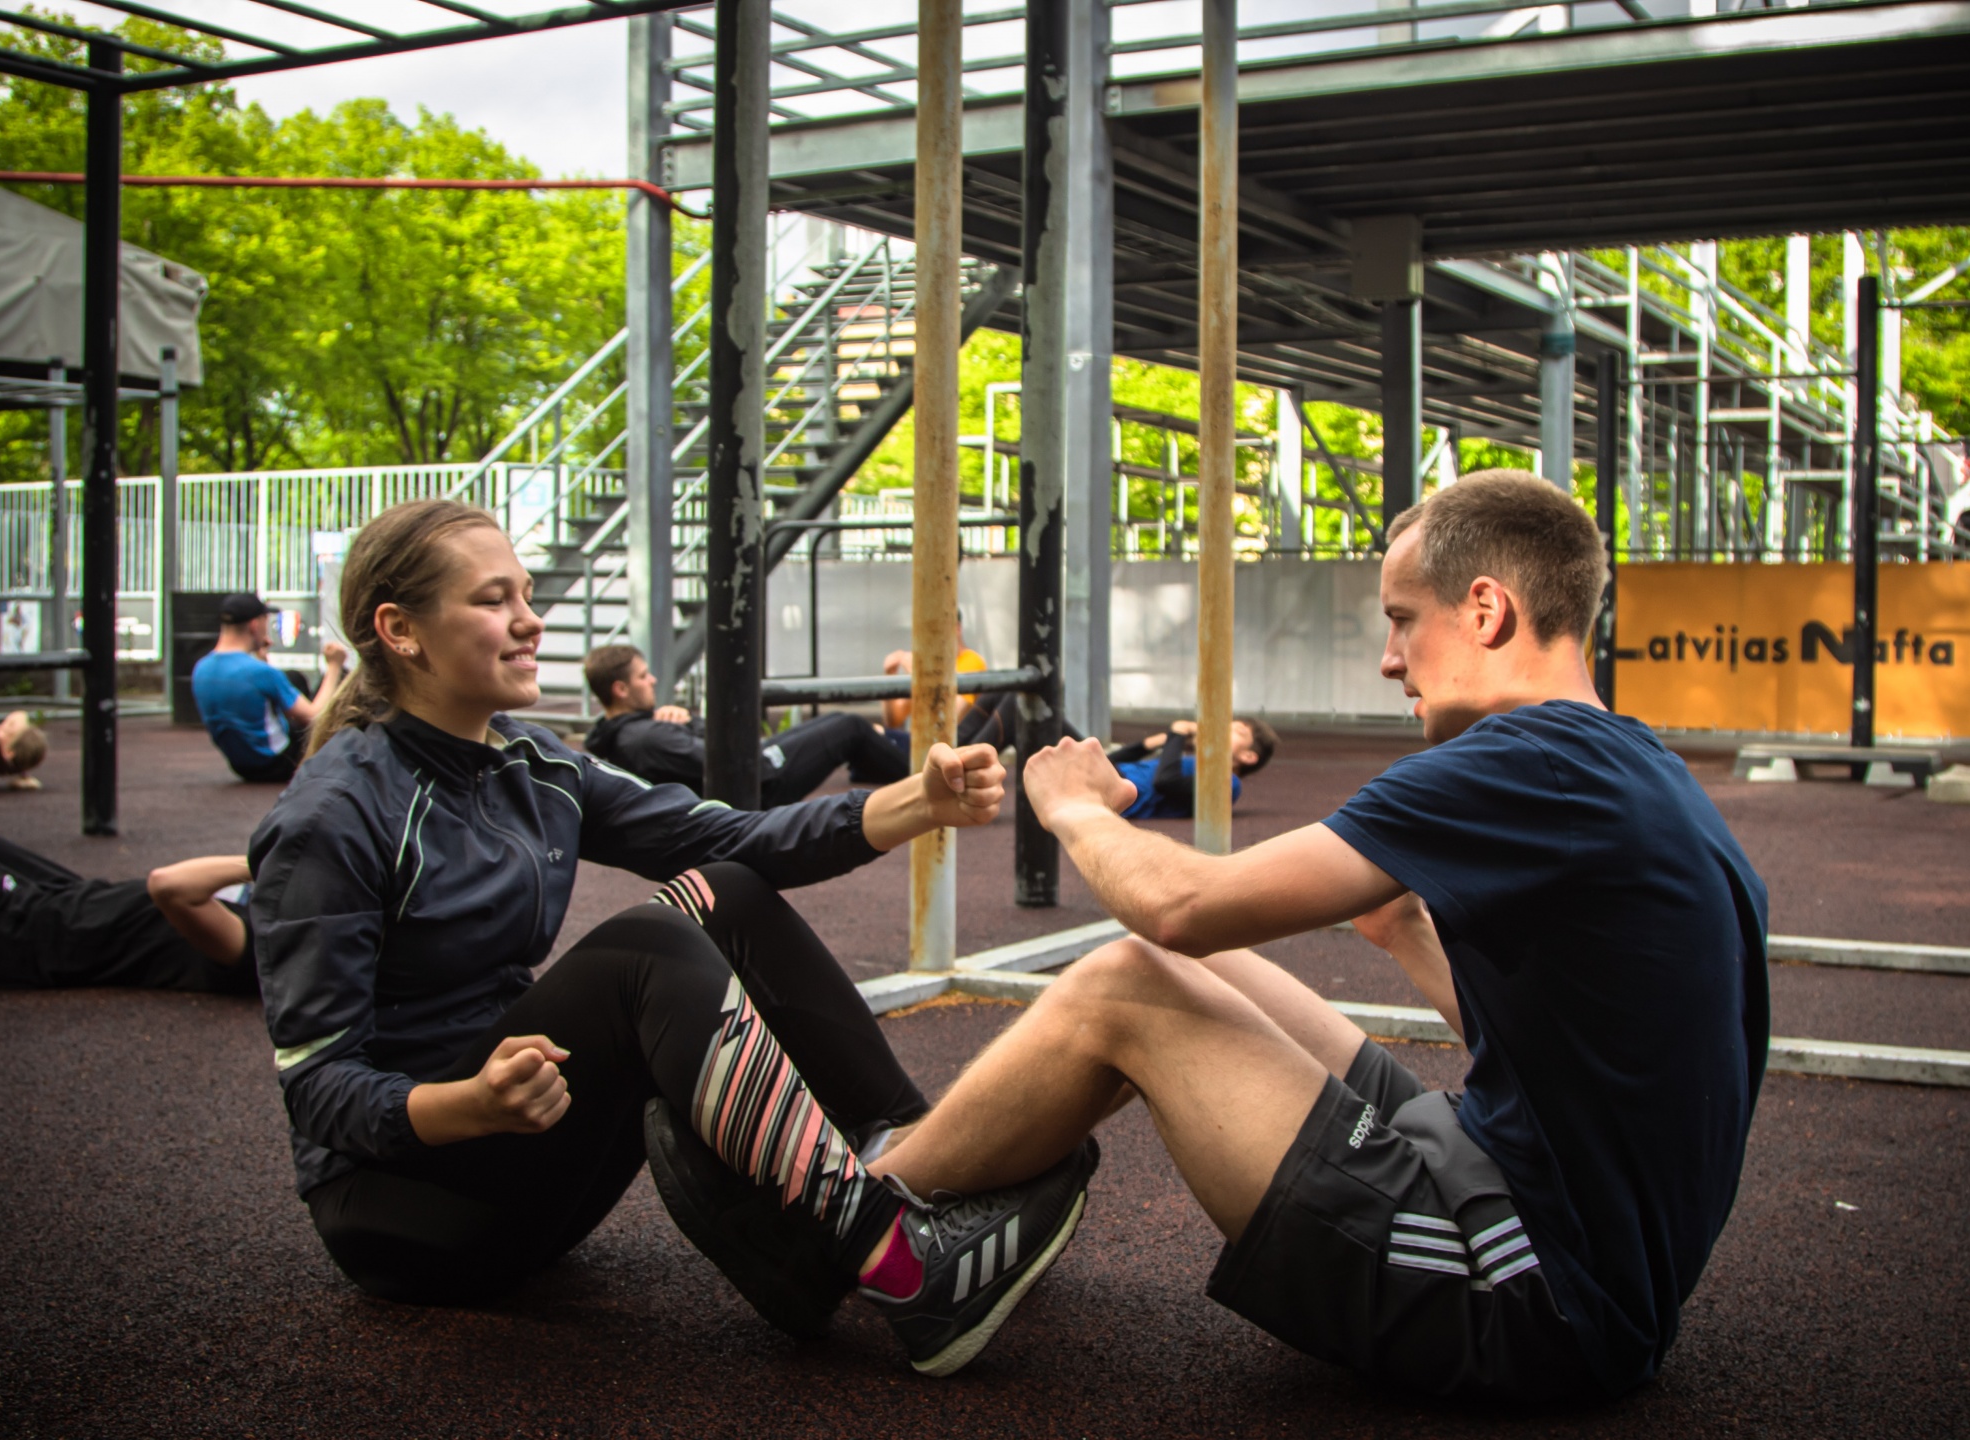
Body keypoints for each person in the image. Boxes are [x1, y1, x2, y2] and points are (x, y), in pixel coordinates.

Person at [676, 471, 1768, 1398]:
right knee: (1190, 969)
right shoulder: (1635, 768)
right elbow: (1583, 1052)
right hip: (1545, 1207)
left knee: (1132, 978)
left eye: (1402, 620)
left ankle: (840, 1225)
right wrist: (1405, 934)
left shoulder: (1524, 760)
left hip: (1538, 1294)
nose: (1391, 659)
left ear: (1485, 610)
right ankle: (949, 1197)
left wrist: (1075, 809)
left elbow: (1180, 906)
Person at [250, 498, 1095, 1375]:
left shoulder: (533, 763)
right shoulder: (333, 816)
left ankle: (929, 1177)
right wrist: (467, 1104)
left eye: (527, 594)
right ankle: (905, 1266)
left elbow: (731, 840)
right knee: (641, 954)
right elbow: (319, 1088)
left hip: (522, 1143)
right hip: (410, 1212)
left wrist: (918, 801)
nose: (531, 619)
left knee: (724, 890)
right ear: (400, 631)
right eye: (494, 600)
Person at [0, 811, 253, 992]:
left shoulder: (260, 950)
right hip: (71, 894)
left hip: (39, 936)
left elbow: (169, 885)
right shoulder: (274, 914)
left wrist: (273, 860)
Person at [582, 643, 909, 799]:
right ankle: (924, 781)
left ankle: (884, 767)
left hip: (756, 767)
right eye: (643, 677)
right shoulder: (647, 737)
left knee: (841, 720)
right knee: (850, 729)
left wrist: (682, 721)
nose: (652, 680)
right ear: (621, 689)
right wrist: (687, 724)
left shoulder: (624, 731)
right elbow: (728, 761)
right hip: (760, 787)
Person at [192, 593, 348, 782]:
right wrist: (334, 666)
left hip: (241, 766)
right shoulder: (260, 672)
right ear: (254, 625)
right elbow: (315, 717)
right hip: (278, 762)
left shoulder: (201, 668)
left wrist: (260, 655)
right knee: (339, 678)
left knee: (293, 678)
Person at [1102, 716, 1278, 820]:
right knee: (1089, 749)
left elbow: (1165, 782)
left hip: (1115, 791)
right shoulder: (1191, 761)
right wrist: (1150, 744)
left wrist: (1178, 734)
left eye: (1237, 731)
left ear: (1248, 756)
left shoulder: (1229, 782)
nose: (1220, 731)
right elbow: (1107, 762)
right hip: (1110, 777)